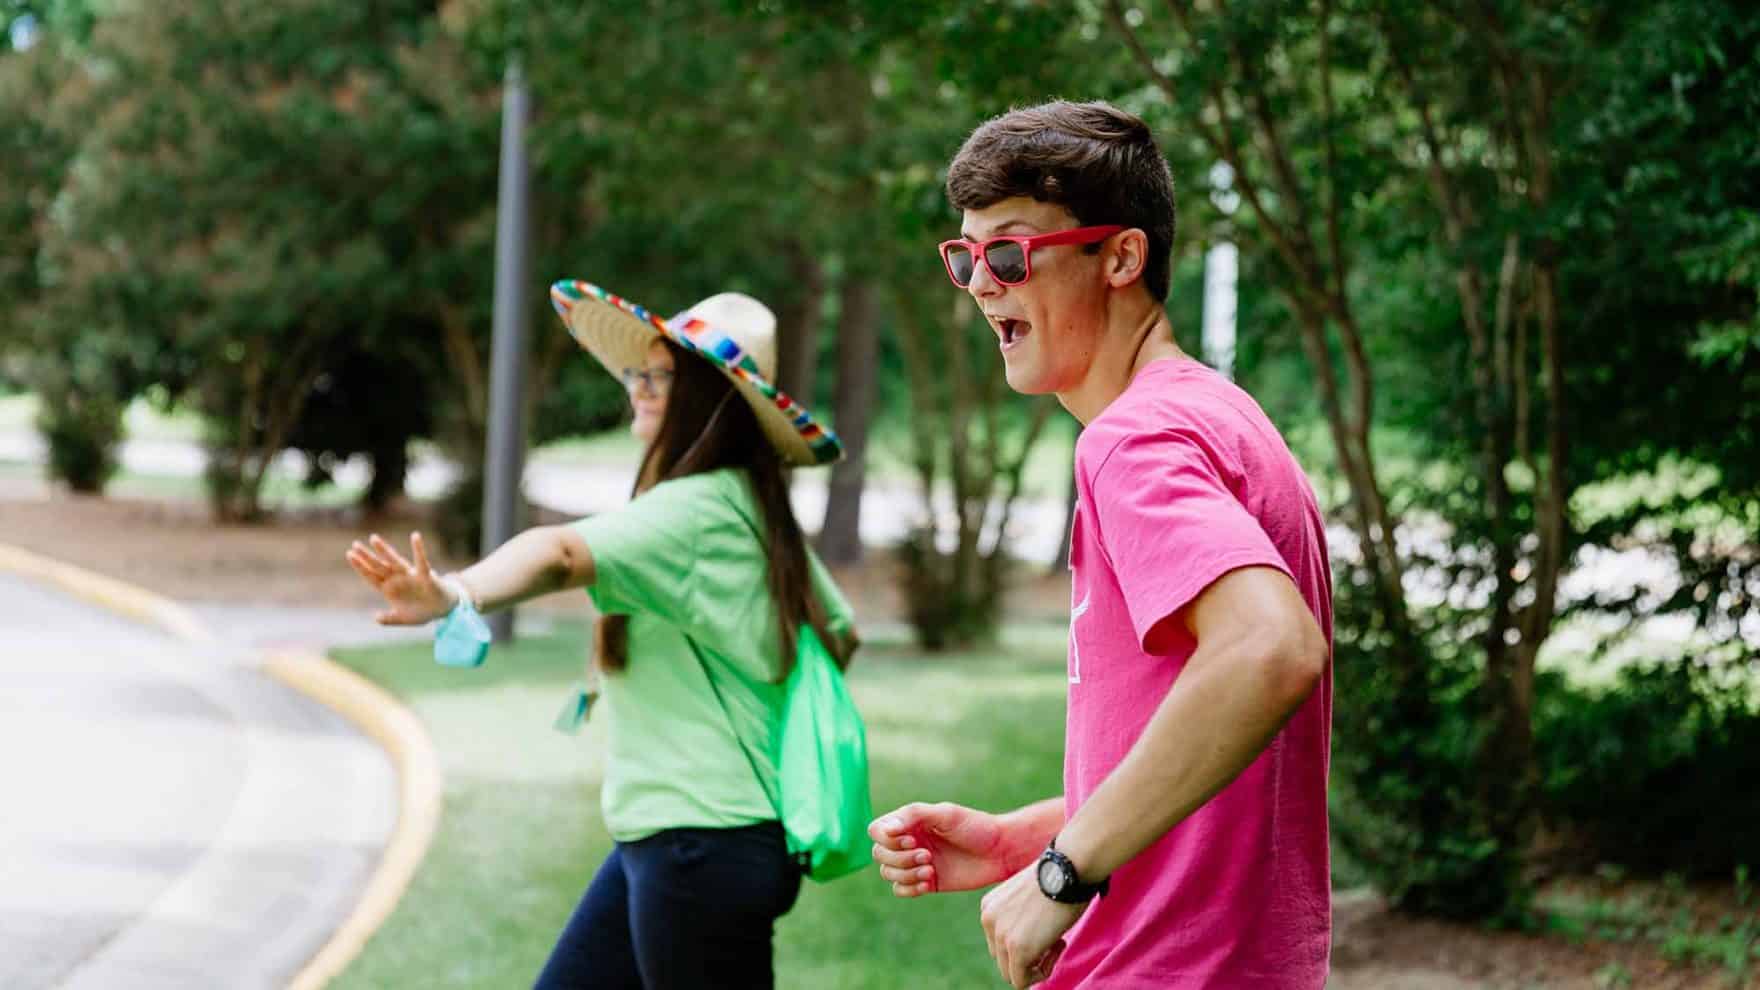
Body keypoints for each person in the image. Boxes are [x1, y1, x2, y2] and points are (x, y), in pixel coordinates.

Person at [869, 100, 1334, 988]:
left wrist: (1063, 871)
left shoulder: (1132, 441)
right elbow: (1219, 768)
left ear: (1121, 256)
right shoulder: (1224, 419)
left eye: (1009, 252)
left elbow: (1271, 648)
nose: (980, 283)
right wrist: (1022, 840)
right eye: (965, 257)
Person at [346, 281, 859, 989]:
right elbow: (839, 628)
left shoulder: (698, 508)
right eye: (639, 373)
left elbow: (559, 553)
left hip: (699, 842)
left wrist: (455, 593)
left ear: (713, 400)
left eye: (664, 376)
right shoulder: (752, 505)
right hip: (691, 837)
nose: (642, 389)